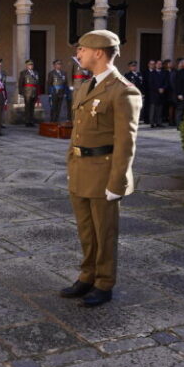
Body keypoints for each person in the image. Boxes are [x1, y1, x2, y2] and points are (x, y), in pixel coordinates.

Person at [59, 30, 141, 307]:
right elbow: (77, 132)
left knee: (104, 232)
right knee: (86, 230)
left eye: (82, 49)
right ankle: (87, 276)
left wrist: (117, 182)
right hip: (81, 169)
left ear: (98, 52)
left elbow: (126, 143)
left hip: (103, 173)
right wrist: (71, 164)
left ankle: (104, 283)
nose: (78, 53)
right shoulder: (85, 86)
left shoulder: (123, 90)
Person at [69, 48, 92, 122]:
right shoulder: (73, 61)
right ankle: (73, 119)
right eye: (79, 50)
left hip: (85, 84)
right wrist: (71, 85)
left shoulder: (86, 60)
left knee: (84, 102)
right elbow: (70, 73)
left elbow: (90, 72)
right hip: (76, 85)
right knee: (75, 102)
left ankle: (82, 119)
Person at [19, 59, 40, 127]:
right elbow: (21, 83)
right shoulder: (23, 73)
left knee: (32, 107)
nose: (31, 66)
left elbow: (37, 83)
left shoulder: (35, 72)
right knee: (27, 107)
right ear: (27, 66)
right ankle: (27, 121)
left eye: (32, 65)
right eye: (29, 65)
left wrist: (38, 92)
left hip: (34, 91)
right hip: (27, 92)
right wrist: (21, 92)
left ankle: (31, 121)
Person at [146, 60, 167, 127]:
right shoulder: (152, 73)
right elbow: (150, 83)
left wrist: (163, 88)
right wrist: (158, 89)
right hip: (154, 93)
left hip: (162, 93)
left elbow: (166, 82)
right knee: (153, 109)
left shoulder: (164, 73)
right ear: (156, 65)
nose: (159, 65)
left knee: (160, 109)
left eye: (160, 64)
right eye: (158, 64)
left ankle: (159, 122)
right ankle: (152, 122)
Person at [47, 59, 68, 123]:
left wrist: (65, 92)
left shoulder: (64, 73)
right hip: (54, 92)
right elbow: (49, 84)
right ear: (54, 65)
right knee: (54, 107)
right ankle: (52, 120)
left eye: (60, 64)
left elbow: (65, 83)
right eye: (58, 64)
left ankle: (57, 120)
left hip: (61, 92)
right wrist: (50, 93)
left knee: (59, 107)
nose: (59, 65)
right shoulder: (51, 73)